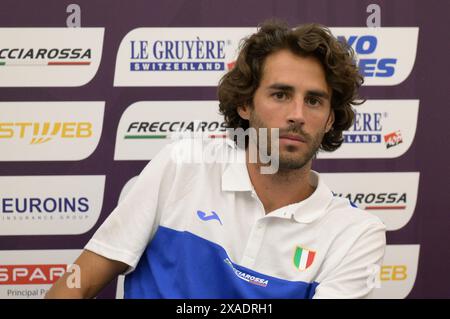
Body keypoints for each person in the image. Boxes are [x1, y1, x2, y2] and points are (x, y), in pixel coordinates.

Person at [46, 20, 386, 299]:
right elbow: (79, 281)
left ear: (329, 119)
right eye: (280, 94)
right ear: (245, 104)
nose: (296, 114)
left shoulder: (356, 234)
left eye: (314, 101)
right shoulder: (183, 166)